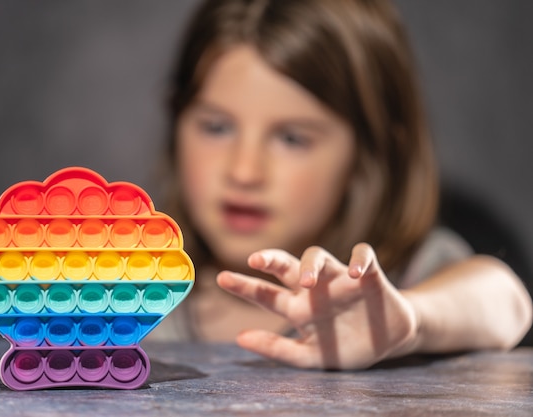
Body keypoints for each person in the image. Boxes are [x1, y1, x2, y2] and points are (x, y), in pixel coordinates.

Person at [149, 0, 533, 370]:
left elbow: (506, 300)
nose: (244, 171)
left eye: (292, 139)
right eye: (216, 128)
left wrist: (410, 318)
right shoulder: (131, 288)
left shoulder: (397, 281)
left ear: (367, 152)